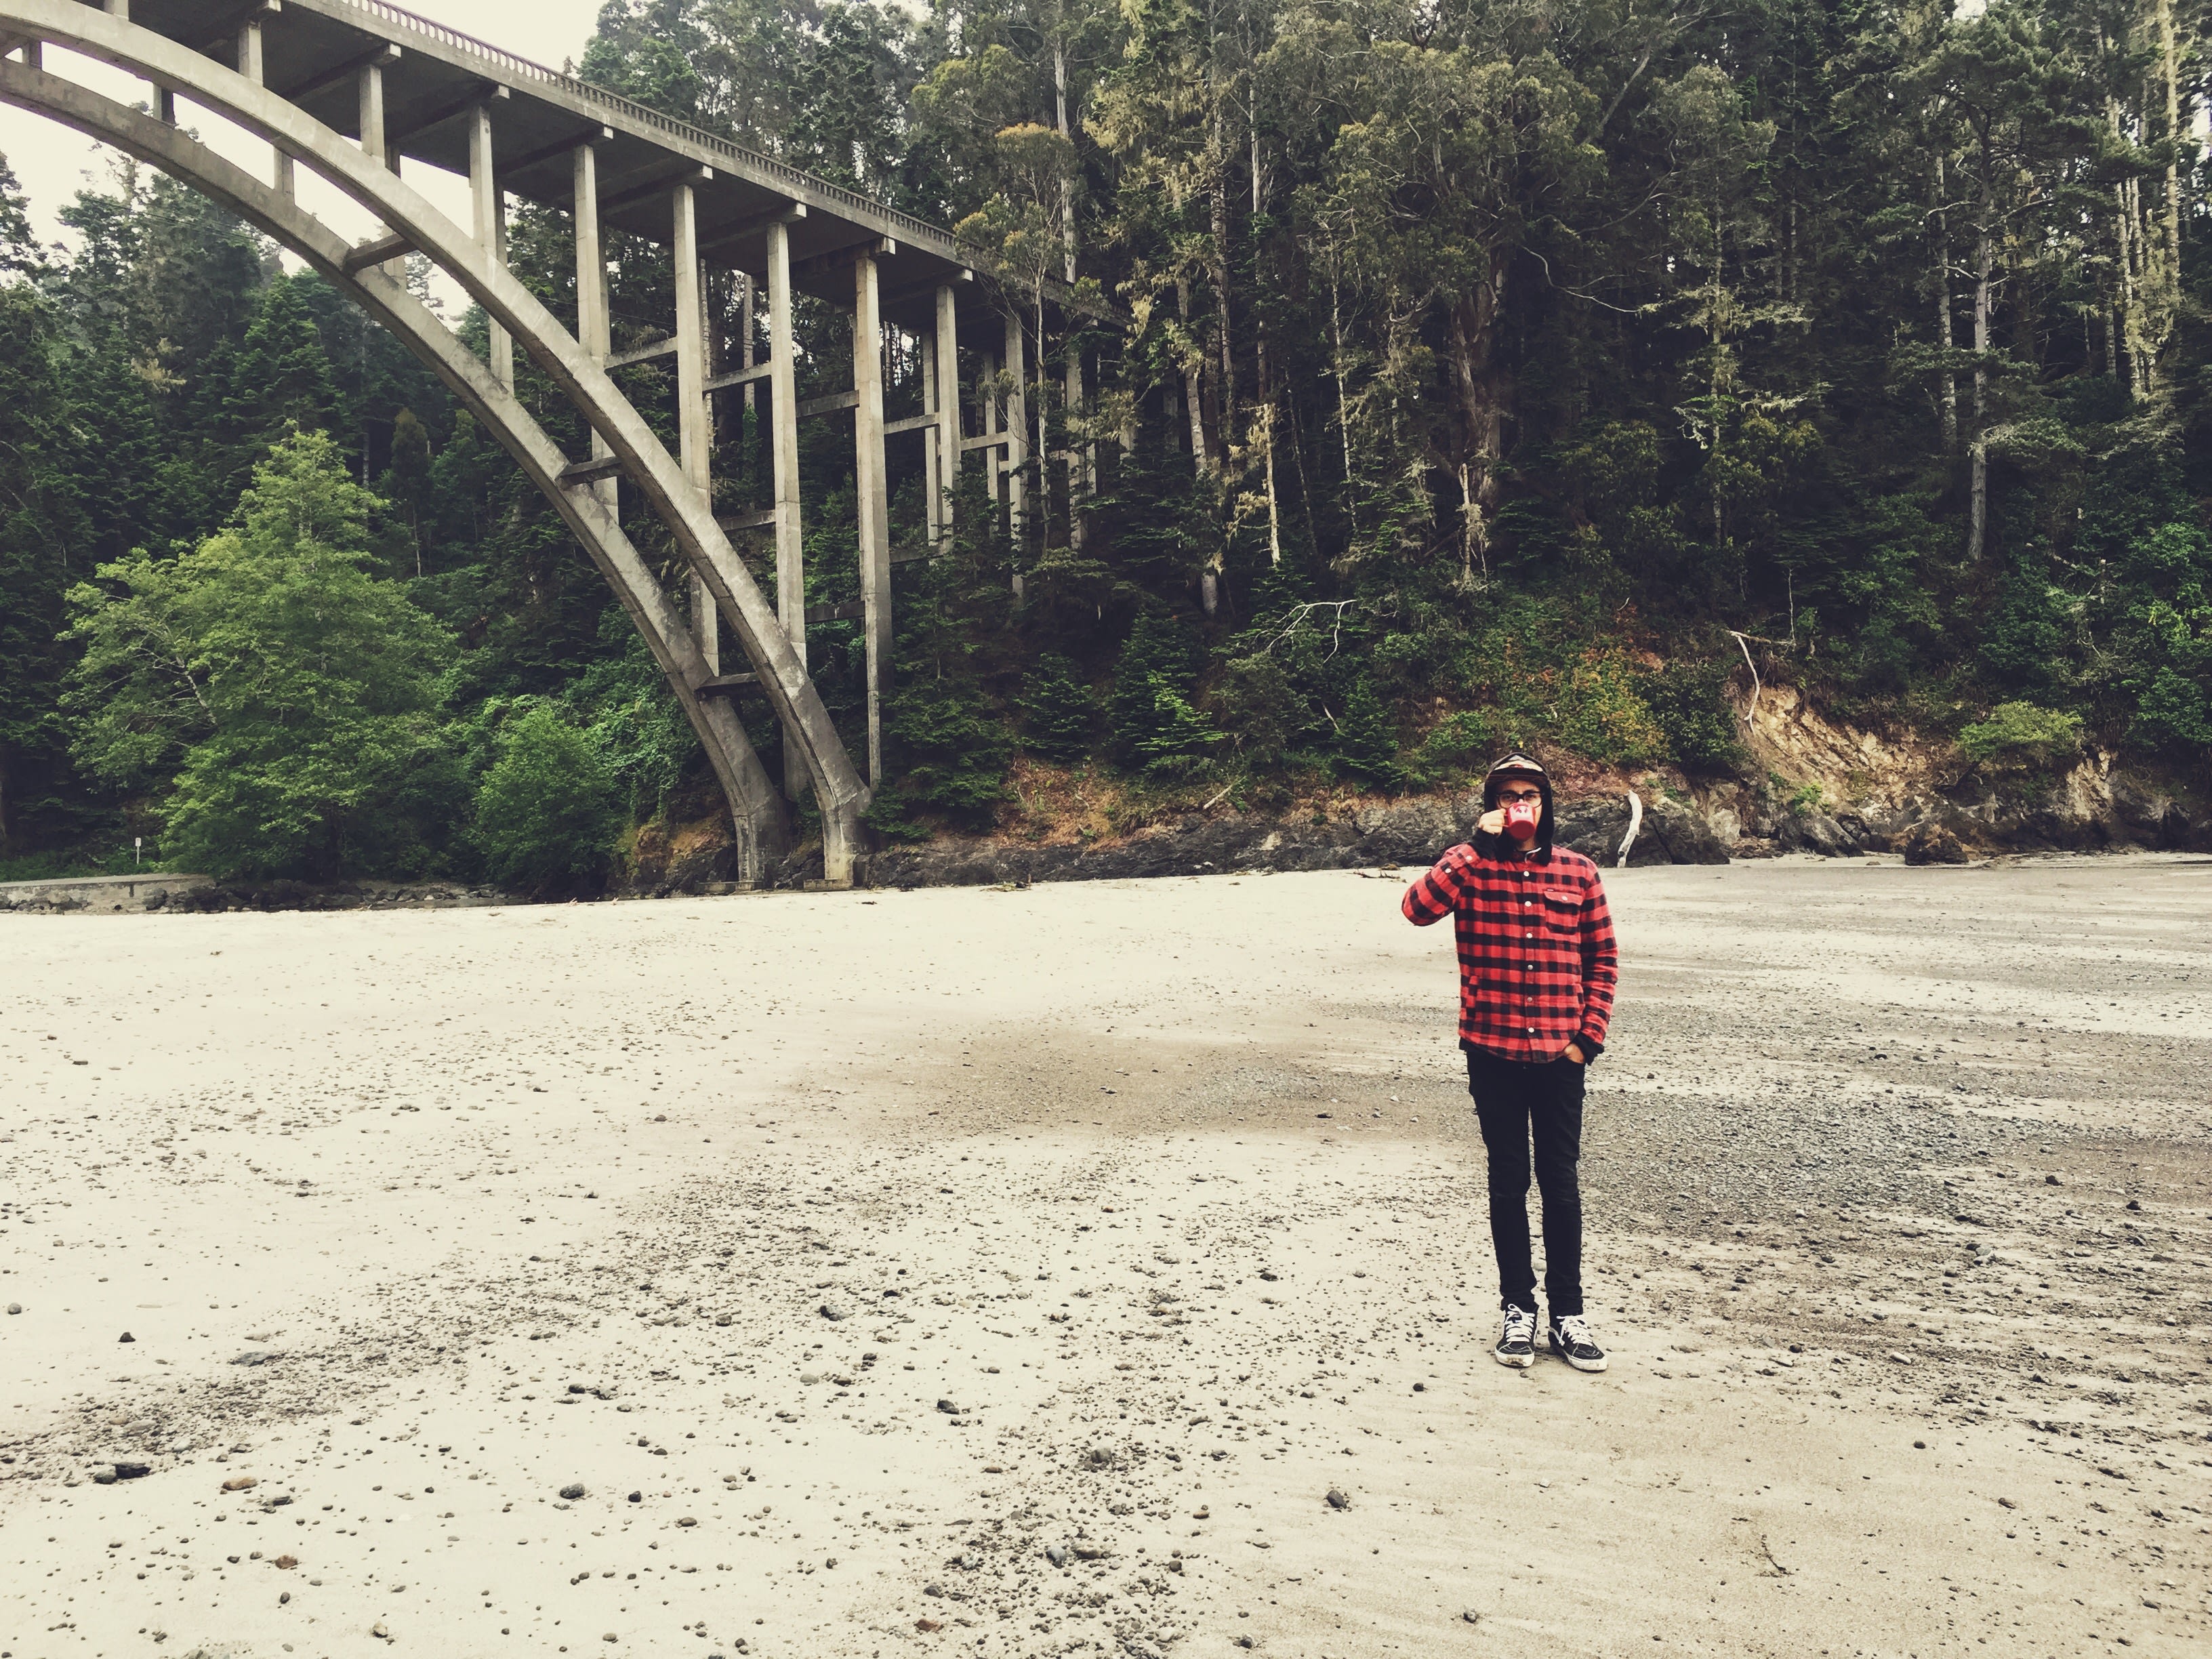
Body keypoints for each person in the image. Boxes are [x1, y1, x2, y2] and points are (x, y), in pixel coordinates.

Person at [1401, 752, 1618, 1372]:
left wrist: (1586, 1041)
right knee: (1507, 1181)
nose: (1519, 804)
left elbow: (1603, 960)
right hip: (1492, 1051)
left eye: (1529, 794)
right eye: (1506, 796)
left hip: (1559, 1054)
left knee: (1561, 1180)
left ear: (1545, 803)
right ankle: (1517, 1308)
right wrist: (1474, 845)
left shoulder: (1578, 871)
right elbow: (1416, 909)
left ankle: (1568, 1314)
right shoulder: (1468, 866)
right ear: (1493, 805)